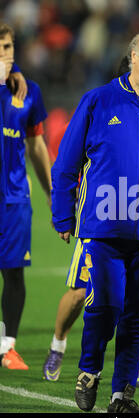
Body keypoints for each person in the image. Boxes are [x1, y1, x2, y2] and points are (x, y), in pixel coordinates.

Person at [51, 27, 139, 413]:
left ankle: (122, 396)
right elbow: (67, 163)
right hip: (105, 226)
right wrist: (63, 214)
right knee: (107, 306)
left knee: (138, 315)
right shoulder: (98, 101)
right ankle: (88, 371)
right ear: (133, 56)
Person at [0, 23, 52, 370]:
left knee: (14, 272)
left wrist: (53, 193)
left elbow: (35, 145)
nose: (5, 54)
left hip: (14, 197)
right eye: (0, 47)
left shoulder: (28, 91)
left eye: (7, 47)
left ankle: (8, 346)